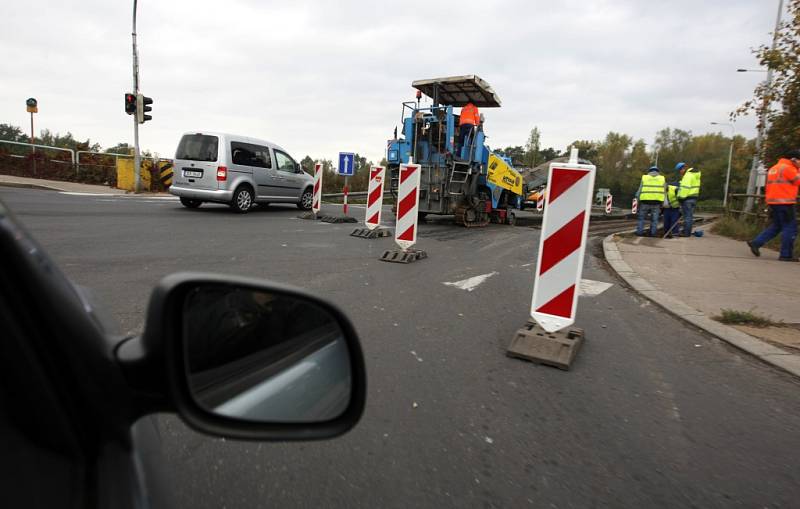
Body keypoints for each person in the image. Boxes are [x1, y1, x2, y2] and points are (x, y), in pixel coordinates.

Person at [747, 149, 800, 262]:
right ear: (794, 159)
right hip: (785, 202)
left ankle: (756, 243)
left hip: (774, 202)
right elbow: (798, 181)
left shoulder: (774, 168)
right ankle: (786, 255)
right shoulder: (789, 168)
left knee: (777, 226)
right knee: (790, 228)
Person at [635, 166, 666, 237]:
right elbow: (664, 191)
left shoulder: (645, 177)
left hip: (645, 201)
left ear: (649, 171)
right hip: (656, 202)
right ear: (658, 172)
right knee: (654, 219)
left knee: (641, 218)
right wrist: (664, 202)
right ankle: (653, 233)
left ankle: (639, 232)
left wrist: (637, 198)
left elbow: (640, 189)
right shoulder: (662, 178)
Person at [675, 162, 701, 236]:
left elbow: (685, 189)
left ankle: (686, 233)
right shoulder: (694, 175)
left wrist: (680, 198)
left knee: (687, 217)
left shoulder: (688, 176)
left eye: (679, 171)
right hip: (693, 198)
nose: (680, 173)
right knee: (689, 216)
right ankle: (687, 232)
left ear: (683, 168)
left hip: (687, 199)